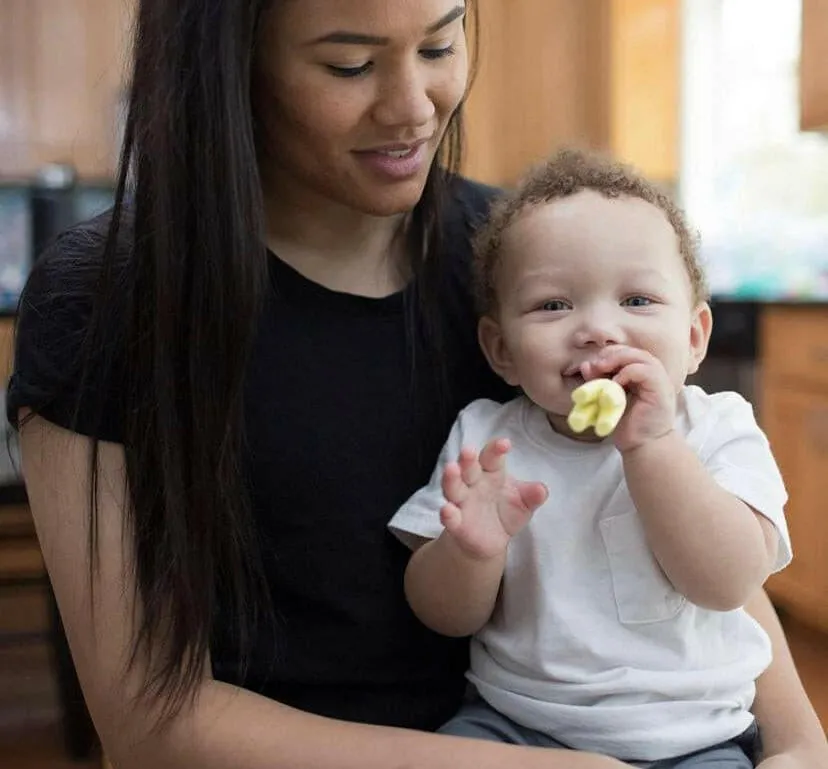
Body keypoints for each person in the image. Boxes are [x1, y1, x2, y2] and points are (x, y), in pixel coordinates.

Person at [7, 2, 826, 768]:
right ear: (233, 64)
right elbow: (151, 721)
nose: (414, 107)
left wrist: (797, 741)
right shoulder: (107, 297)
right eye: (350, 65)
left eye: (439, 45)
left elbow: (678, 544)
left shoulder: (524, 263)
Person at [389, 149, 794, 768]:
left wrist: (653, 445)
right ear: (500, 350)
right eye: (554, 305)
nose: (599, 330)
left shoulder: (718, 428)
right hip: (514, 726)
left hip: (692, 737)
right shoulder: (488, 437)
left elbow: (729, 583)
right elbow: (443, 617)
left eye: (637, 301)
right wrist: (470, 551)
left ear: (694, 338)